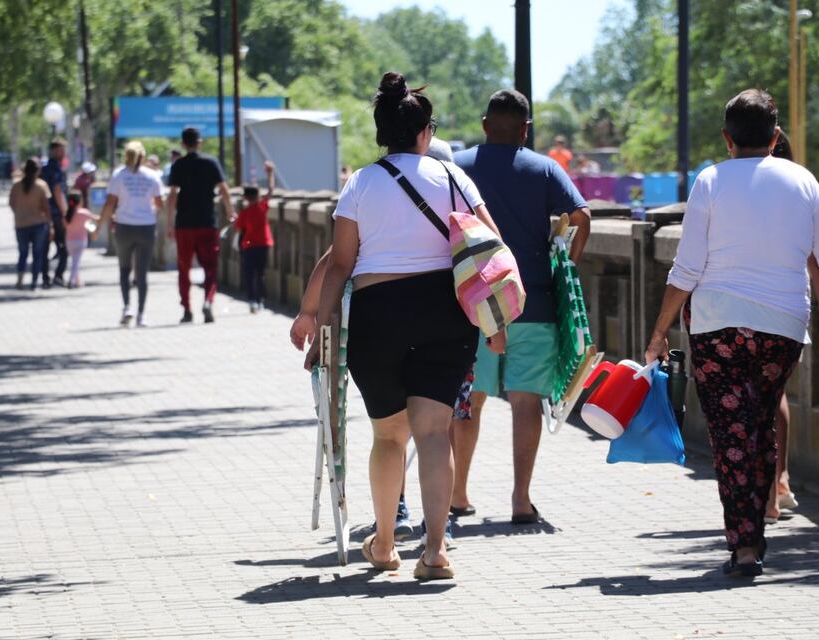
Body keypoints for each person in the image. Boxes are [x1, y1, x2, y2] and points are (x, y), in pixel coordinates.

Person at [644, 89, 819, 577]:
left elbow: (686, 268)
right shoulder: (803, 181)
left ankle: (745, 545)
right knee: (761, 425)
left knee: (732, 435)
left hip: (716, 328)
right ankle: (761, 515)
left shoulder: (710, 181)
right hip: (781, 330)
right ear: (775, 138)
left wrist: (658, 332)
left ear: (727, 139)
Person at [304, 72, 505, 580]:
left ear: (382, 132)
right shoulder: (456, 179)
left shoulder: (361, 183)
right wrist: (498, 323)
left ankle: (386, 543)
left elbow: (341, 263)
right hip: (445, 312)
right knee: (434, 433)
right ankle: (435, 552)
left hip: (379, 315)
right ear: (425, 132)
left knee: (388, 436)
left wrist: (323, 330)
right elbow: (492, 250)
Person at [451, 90, 591, 522]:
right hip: (532, 301)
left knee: (470, 400)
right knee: (526, 402)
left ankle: (458, 494)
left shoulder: (459, 166)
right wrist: (563, 261)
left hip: (474, 306)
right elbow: (583, 217)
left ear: (485, 125)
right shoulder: (545, 168)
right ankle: (519, 498)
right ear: (525, 130)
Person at [765, 129, 819, 524]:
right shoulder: (801, 190)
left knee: (757, 402)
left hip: (740, 314)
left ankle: (770, 491)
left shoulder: (740, 189)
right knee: (776, 396)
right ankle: (780, 481)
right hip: (790, 313)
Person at [167, 127, 234, 324]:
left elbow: (172, 196)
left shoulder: (178, 165)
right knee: (210, 267)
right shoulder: (211, 162)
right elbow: (224, 189)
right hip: (207, 222)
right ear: (199, 142)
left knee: (184, 268)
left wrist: (170, 223)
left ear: (182, 144)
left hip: (184, 224)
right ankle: (208, 301)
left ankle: (187, 310)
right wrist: (230, 211)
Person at [96, 141, 164, 327]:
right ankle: (141, 315)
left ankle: (127, 308)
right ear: (142, 156)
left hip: (124, 226)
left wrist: (98, 227)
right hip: (146, 227)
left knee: (124, 269)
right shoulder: (152, 176)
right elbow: (160, 203)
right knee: (142, 274)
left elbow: (109, 204)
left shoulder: (119, 175)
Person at [233, 161, 276, 313]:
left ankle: (252, 301)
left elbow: (238, 228)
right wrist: (270, 173)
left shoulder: (244, 213)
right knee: (260, 273)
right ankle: (261, 299)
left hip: (249, 245)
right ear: (257, 195)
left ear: (245, 197)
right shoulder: (261, 207)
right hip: (263, 244)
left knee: (249, 274)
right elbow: (271, 190)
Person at [8, 158, 53, 291]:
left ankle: (20, 280)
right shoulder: (41, 185)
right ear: (38, 170)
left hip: (21, 224)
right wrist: (51, 225)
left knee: (23, 253)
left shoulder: (16, 186)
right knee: (37, 254)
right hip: (39, 224)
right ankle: (34, 282)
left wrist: (20, 213)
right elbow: (46, 207)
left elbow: (11, 203)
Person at [40, 139, 69, 288]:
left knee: (45, 247)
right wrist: (65, 211)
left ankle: (45, 278)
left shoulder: (43, 170)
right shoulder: (56, 169)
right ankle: (58, 275)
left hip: (43, 214)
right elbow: (58, 190)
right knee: (64, 247)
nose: (64, 154)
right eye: (62, 150)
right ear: (55, 151)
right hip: (56, 214)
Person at [64, 191, 99, 289]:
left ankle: (78, 281)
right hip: (80, 241)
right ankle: (71, 281)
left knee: (75, 261)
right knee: (76, 262)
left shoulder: (67, 214)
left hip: (69, 241)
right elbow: (96, 219)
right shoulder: (84, 213)